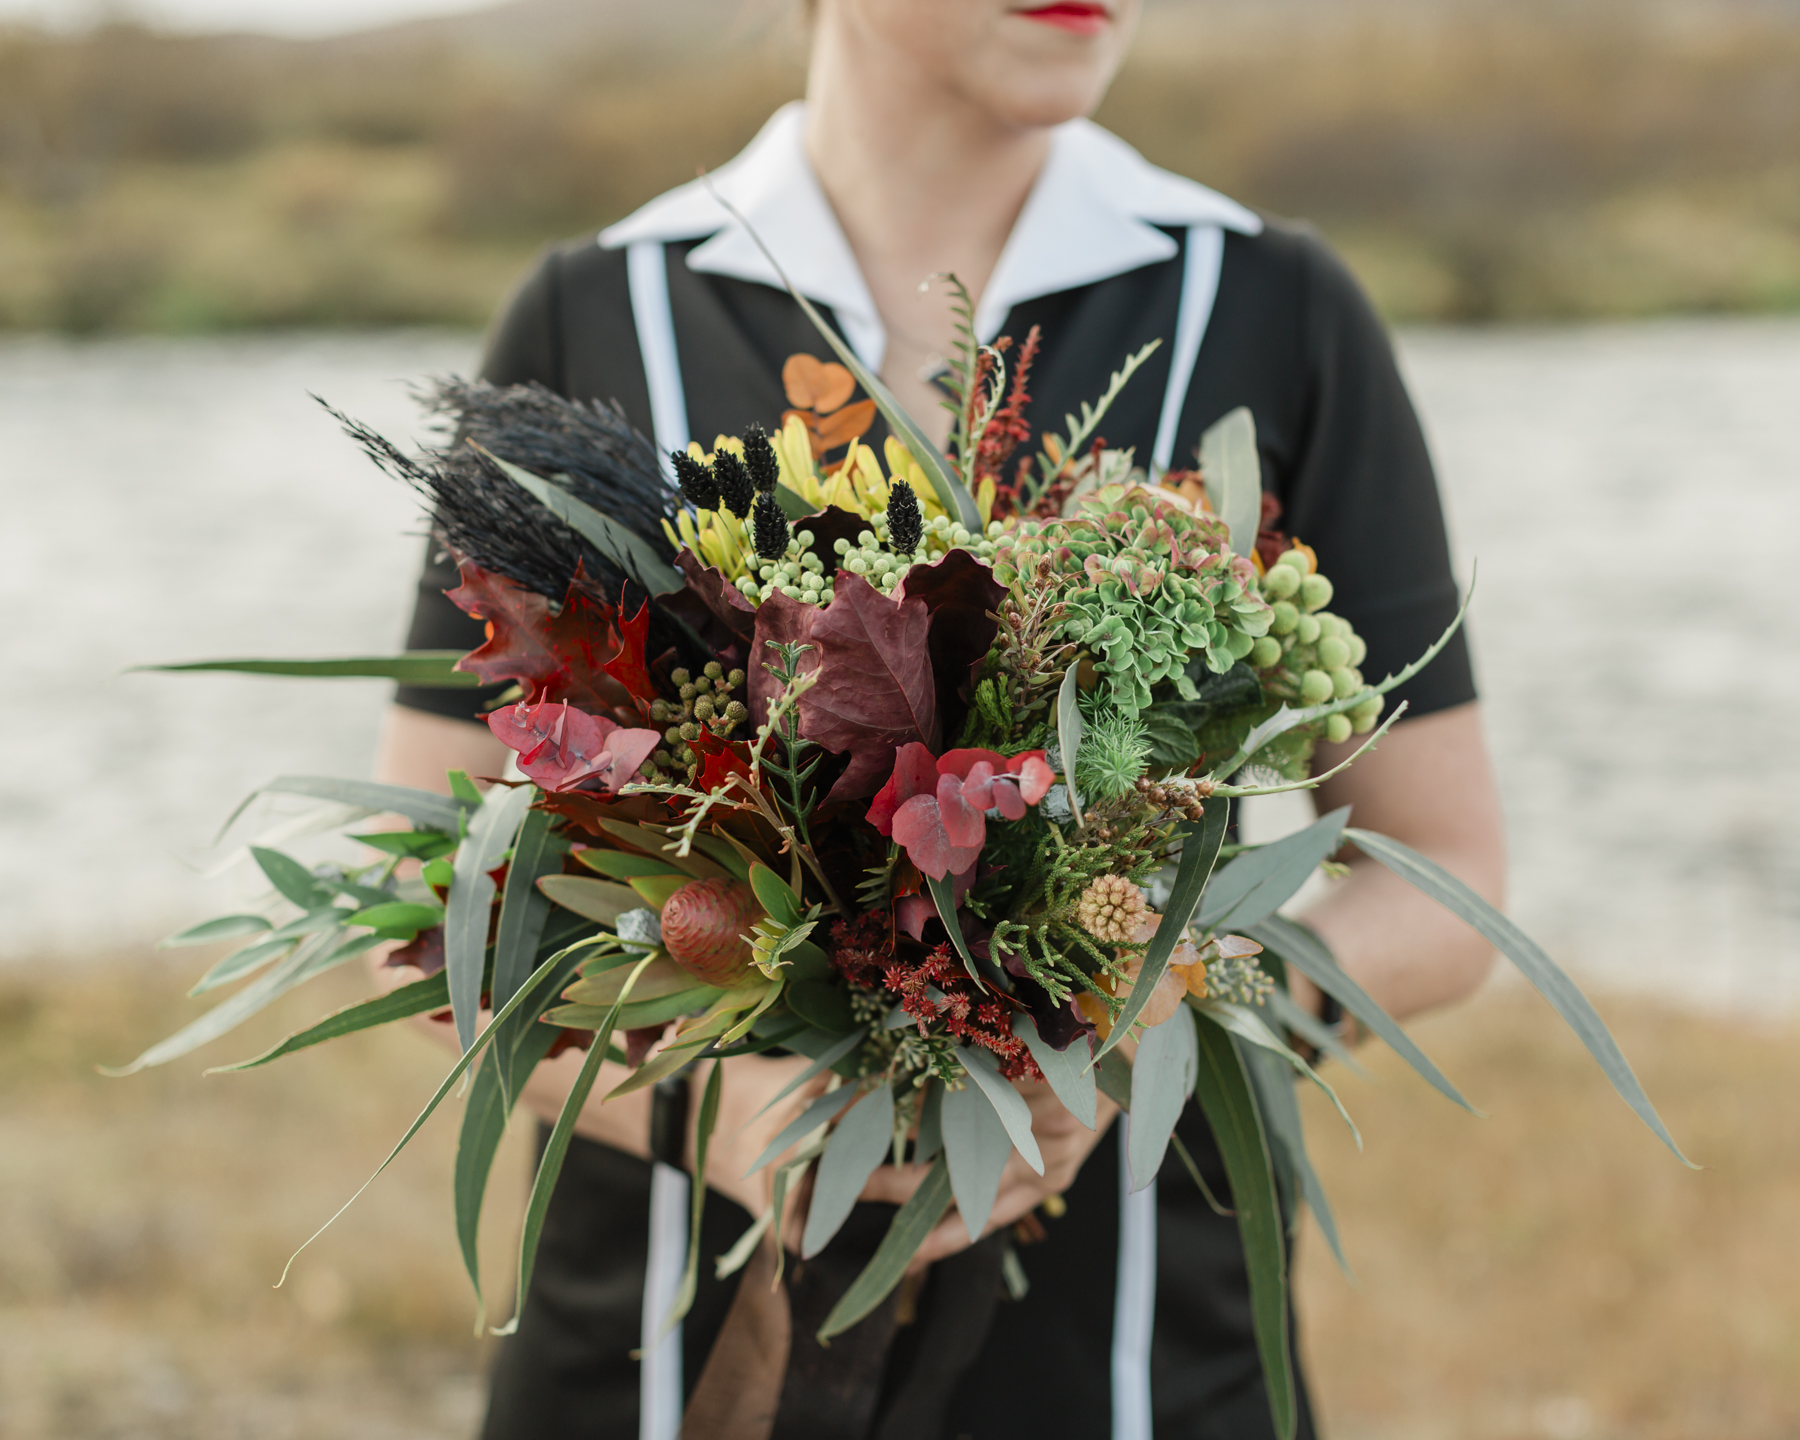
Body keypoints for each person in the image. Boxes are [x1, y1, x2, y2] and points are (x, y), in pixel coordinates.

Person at [376, 1, 1507, 1435]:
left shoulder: (1266, 301)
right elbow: (419, 899)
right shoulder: (606, 312)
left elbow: (1451, 878)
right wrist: (694, 1112)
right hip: (659, 1369)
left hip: (1142, 1366)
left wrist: (1143, 1028)